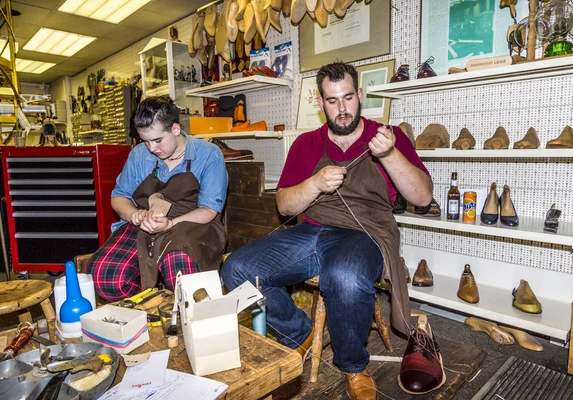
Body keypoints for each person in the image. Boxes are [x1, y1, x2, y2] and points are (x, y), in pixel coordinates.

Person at [221, 61, 432, 400]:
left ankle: (353, 366)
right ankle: (299, 335)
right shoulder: (305, 144)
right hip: (312, 231)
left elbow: (422, 196)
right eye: (333, 101)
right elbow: (286, 206)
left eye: (348, 97)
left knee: (344, 276)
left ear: (359, 95)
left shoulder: (386, 137)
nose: (343, 108)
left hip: (367, 233)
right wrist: (314, 184)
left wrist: (391, 155)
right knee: (238, 268)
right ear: (321, 103)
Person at [87, 96, 228, 301]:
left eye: (158, 140)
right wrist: (135, 215)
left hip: (193, 223)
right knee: (105, 277)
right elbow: (119, 197)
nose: (152, 149)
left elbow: (208, 210)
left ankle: (184, 312)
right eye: (146, 141)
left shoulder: (208, 155)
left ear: (175, 129)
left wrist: (170, 223)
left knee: (180, 272)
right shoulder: (138, 155)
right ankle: (154, 307)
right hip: (146, 223)